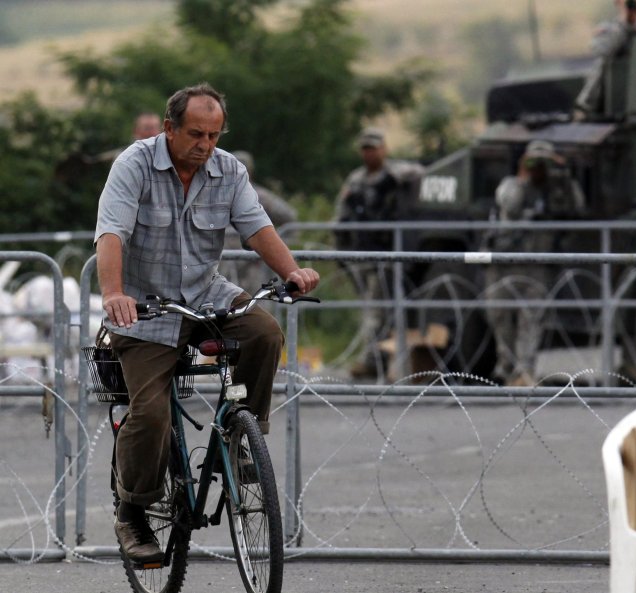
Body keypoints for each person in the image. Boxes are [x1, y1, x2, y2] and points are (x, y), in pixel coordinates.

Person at [95, 83, 320, 563]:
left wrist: (292, 271)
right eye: (196, 133)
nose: (206, 144)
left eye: (215, 135)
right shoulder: (133, 165)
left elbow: (257, 228)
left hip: (205, 295)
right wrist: (115, 294)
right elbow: (111, 232)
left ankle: (243, 438)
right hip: (146, 311)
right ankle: (133, 512)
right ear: (170, 128)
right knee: (150, 413)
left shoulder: (229, 170)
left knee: (263, 332)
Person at [485, 140, 586, 386]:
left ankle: (524, 370)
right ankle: (505, 365)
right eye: (534, 162)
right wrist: (523, 176)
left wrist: (565, 176)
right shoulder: (511, 185)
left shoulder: (557, 189)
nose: (539, 168)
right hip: (504, 262)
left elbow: (577, 209)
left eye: (544, 163)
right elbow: (511, 206)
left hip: (538, 264)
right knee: (500, 316)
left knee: (531, 319)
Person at [334, 127, 423, 380]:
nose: (369, 153)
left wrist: (393, 176)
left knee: (377, 311)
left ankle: (373, 360)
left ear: (384, 149)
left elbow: (418, 173)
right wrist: (340, 251)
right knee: (372, 309)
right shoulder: (356, 180)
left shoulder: (396, 174)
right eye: (365, 149)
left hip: (384, 254)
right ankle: (376, 358)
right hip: (360, 253)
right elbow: (341, 216)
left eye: (374, 148)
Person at [219, 150, 298, 289]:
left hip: (253, 260)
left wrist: (277, 244)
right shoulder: (214, 192)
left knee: (256, 299)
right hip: (224, 258)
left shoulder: (258, 195)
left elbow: (289, 216)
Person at [574, 0, 636, 115]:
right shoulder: (609, 28)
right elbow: (602, 50)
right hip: (610, 99)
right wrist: (624, 23)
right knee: (602, 63)